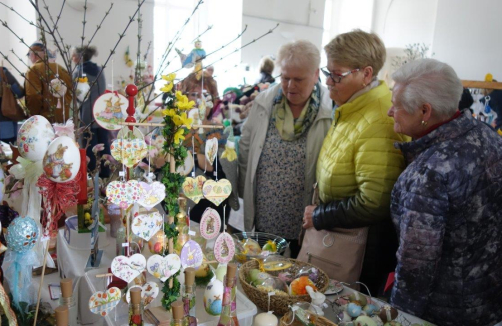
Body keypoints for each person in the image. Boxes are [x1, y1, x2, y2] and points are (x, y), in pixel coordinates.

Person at [387, 58, 502, 326]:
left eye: (397, 105)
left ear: (424, 111)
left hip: (445, 314)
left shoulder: (430, 172)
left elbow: (416, 267)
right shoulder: (489, 137)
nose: (390, 112)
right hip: (491, 302)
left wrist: (398, 319)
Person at [301, 30, 408, 293]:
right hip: (337, 235)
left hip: (359, 250)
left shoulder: (379, 119)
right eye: (328, 73)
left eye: (337, 75)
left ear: (367, 74)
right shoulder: (352, 106)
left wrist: (320, 215)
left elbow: (375, 201)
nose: (328, 82)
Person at [239, 40, 332, 258]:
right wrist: (246, 191)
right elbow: (245, 147)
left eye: (298, 79)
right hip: (264, 210)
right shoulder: (265, 102)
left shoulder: (330, 108)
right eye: (285, 78)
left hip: (302, 215)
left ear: (316, 74)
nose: (290, 86)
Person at [72, 45, 109, 177]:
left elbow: (77, 95)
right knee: (104, 143)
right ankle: (106, 172)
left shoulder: (78, 73)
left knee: (89, 144)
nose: (72, 57)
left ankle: (92, 173)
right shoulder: (99, 70)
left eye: (74, 55)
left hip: (87, 114)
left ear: (79, 57)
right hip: (102, 112)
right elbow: (103, 89)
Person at [25, 41, 72, 123]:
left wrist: (33, 117)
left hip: (45, 119)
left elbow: (33, 96)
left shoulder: (33, 70)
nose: (29, 58)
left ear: (34, 55)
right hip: (64, 118)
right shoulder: (61, 69)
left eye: (29, 55)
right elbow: (70, 92)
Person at [0, 67, 24, 144]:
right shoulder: (3, 72)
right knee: (8, 153)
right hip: (6, 125)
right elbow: (19, 92)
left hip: (5, 126)